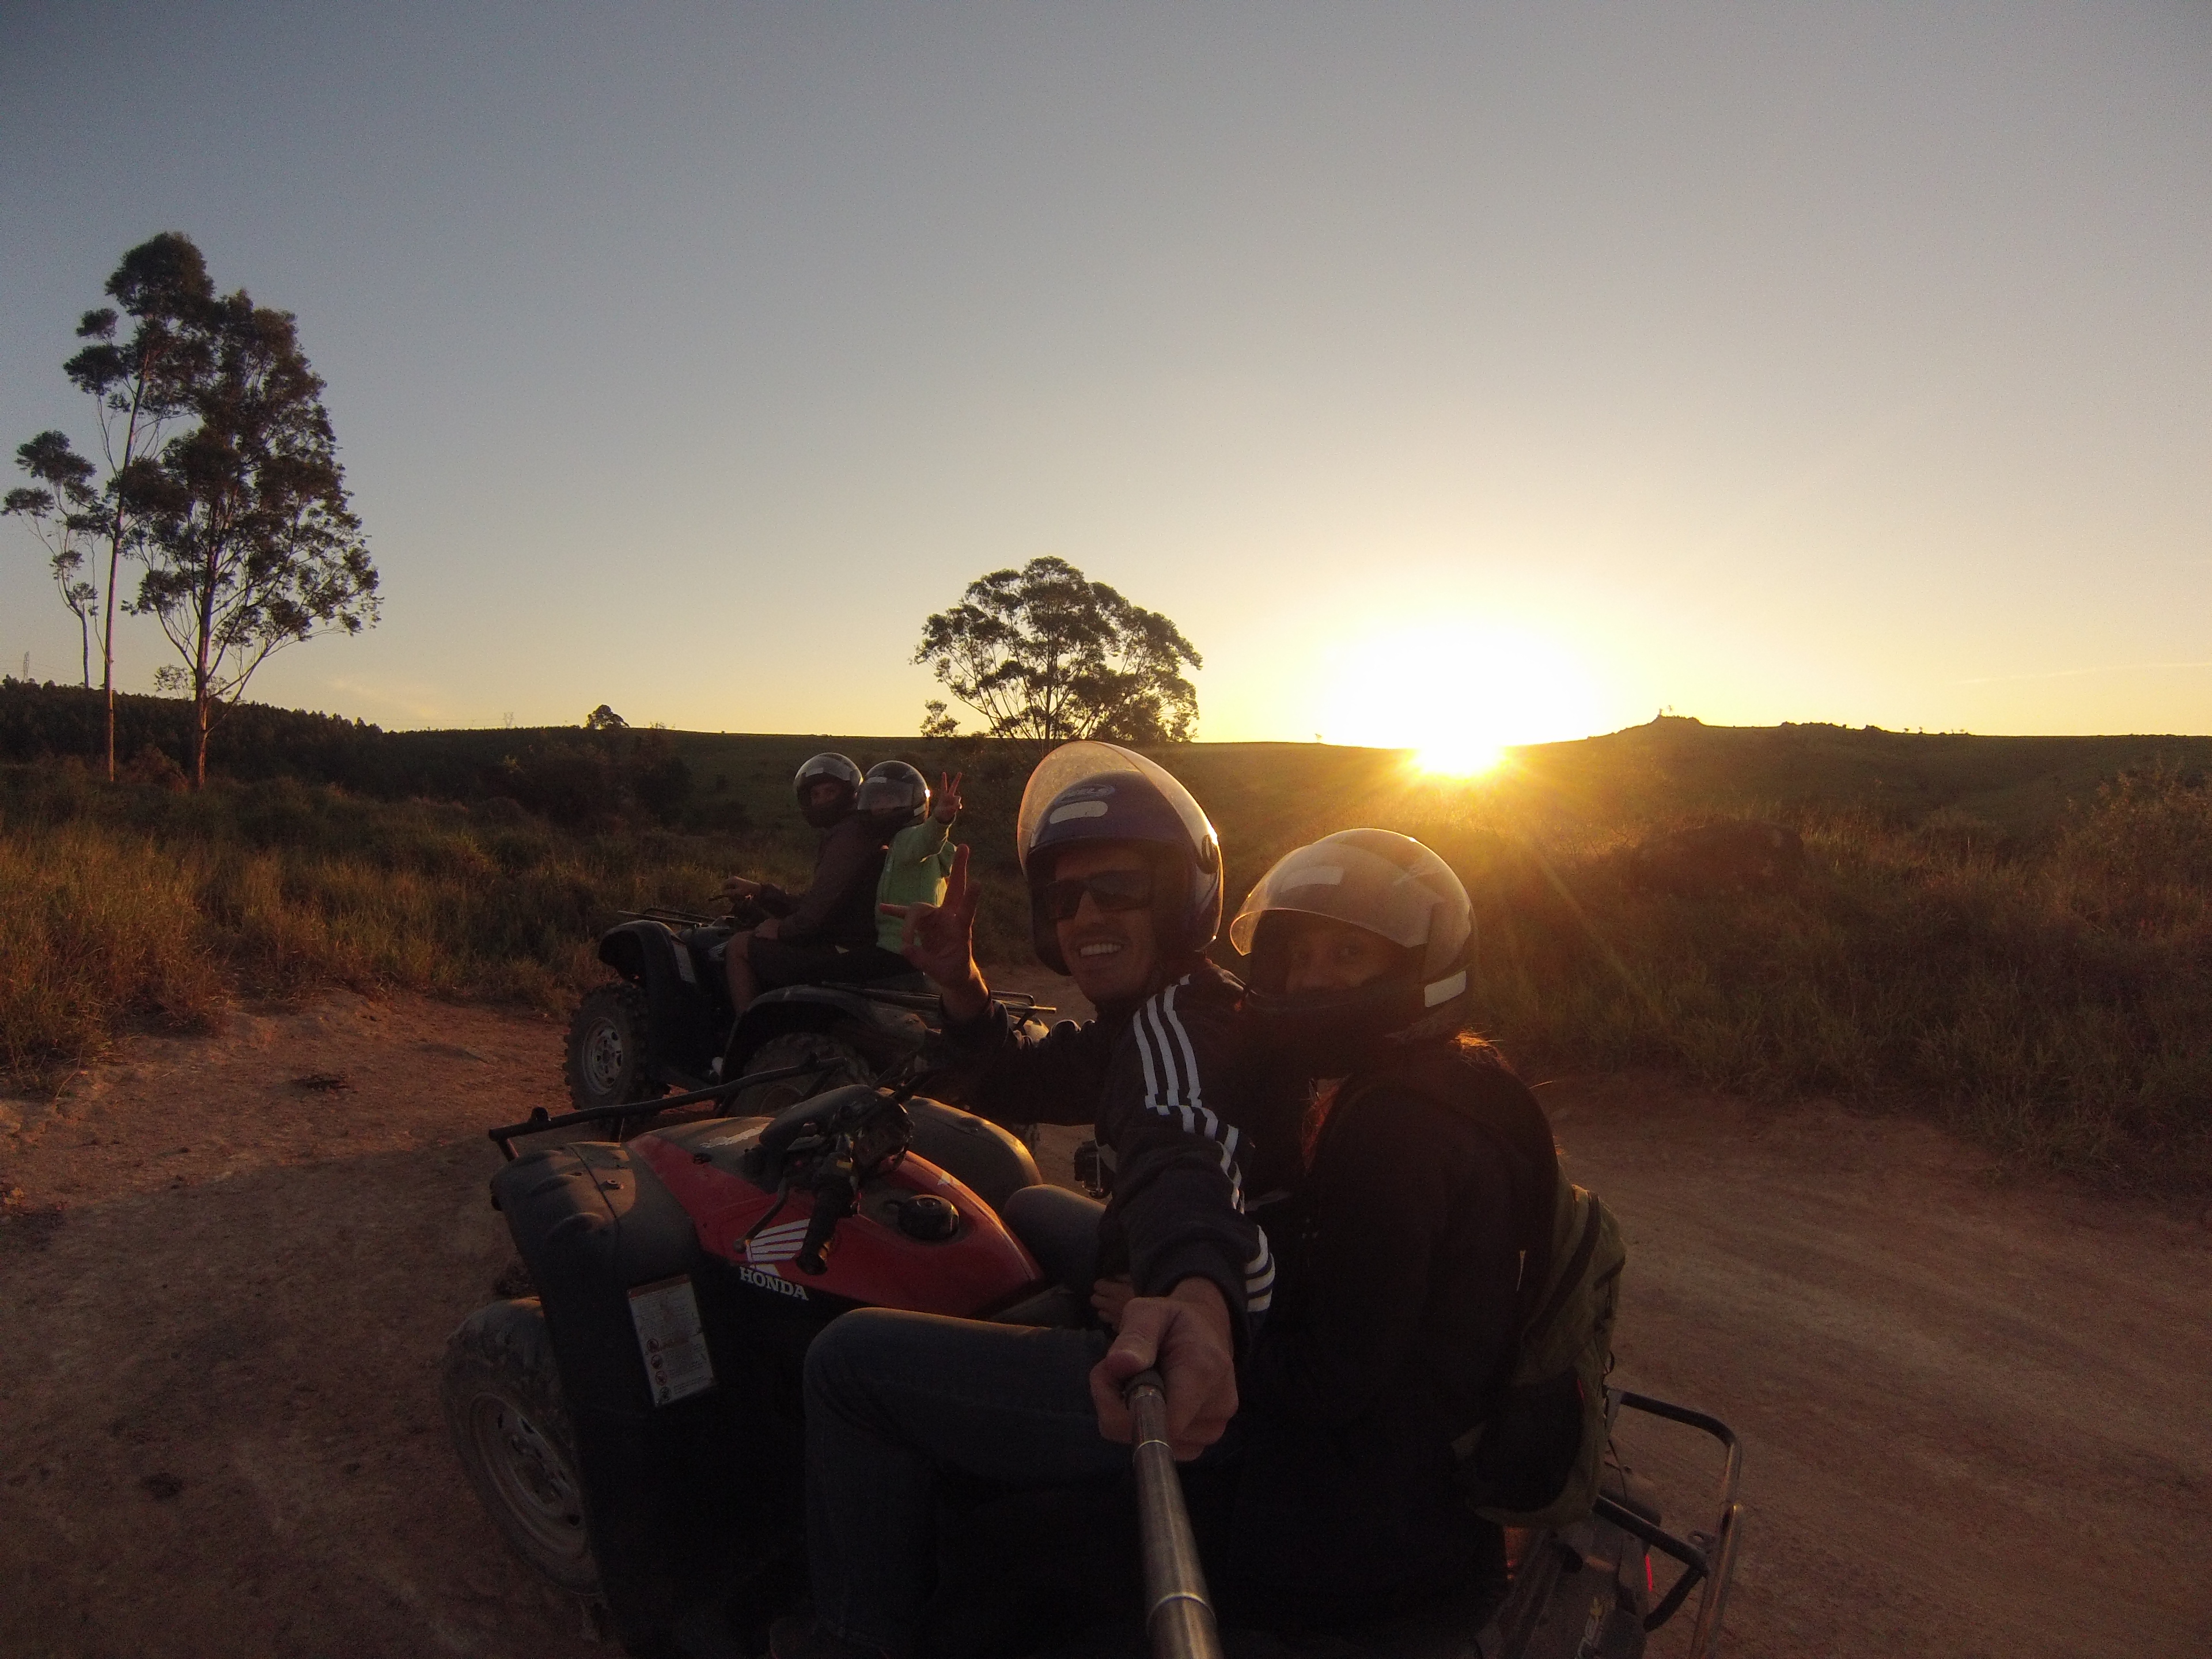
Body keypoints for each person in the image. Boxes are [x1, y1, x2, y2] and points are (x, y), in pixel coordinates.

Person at [772, 742, 1281, 1659]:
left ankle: (855, 1635)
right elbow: (1026, 1079)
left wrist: (1191, 1295)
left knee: (848, 1364)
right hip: (1266, 1299)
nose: (1085, 914)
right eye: (1065, 899)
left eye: (1117, 889)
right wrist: (961, 984)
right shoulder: (1180, 1007)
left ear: (1179, 899)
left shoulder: (1172, 1040)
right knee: (1033, 1207)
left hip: (1208, 1388)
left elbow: (1181, 1164)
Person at [1183, 827, 1563, 1640]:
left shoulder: (1393, 1130)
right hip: (1433, 1479)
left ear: (1415, 968)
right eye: (1302, 955)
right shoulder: (1469, 1081)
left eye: (1348, 956)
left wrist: (1195, 1335)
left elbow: (1329, 1380)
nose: (1313, 980)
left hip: (1363, 1530)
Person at [719, 753, 893, 1012]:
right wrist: (761, 891)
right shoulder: (855, 831)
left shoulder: (848, 837)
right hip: (853, 939)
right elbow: (822, 901)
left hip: (845, 948)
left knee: (739, 946)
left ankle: (746, 1040)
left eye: (829, 792)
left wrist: (782, 929)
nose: (822, 801)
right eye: (815, 795)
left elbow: (816, 914)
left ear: (849, 793)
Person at [865, 763, 961, 959]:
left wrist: (941, 820)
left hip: (902, 950)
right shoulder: (890, 844)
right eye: (876, 799)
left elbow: (927, 840)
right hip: (903, 946)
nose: (882, 806)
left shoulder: (906, 838)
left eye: (891, 798)